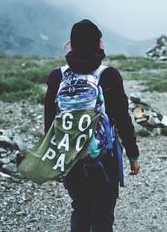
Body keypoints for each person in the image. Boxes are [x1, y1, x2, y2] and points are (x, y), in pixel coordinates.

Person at [44, 19, 140, 232]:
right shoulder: (109, 75)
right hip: (104, 160)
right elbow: (123, 120)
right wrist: (133, 156)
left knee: (80, 209)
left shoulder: (57, 76)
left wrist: (54, 161)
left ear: (72, 43)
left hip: (70, 157)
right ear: (98, 43)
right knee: (102, 215)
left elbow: (50, 123)